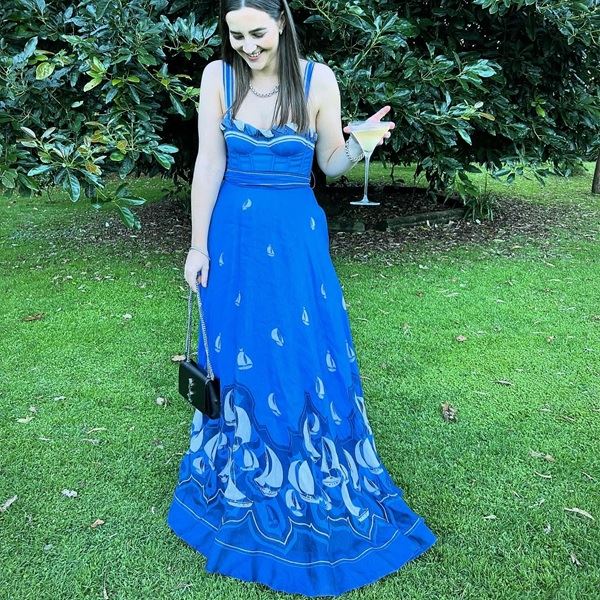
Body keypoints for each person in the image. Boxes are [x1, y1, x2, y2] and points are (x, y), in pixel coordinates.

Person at [167, 1, 437, 596]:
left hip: (295, 241)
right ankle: (243, 466)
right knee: (237, 351)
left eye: (258, 33)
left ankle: (305, 457)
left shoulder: (318, 80)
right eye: (236, 35)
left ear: (282, 23)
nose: (247, 46)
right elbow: (208, 163)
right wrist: (197, 246)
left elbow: (330, 164)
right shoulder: (218, 78)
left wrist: (362, 142)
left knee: (301, 351)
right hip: (233, 239)